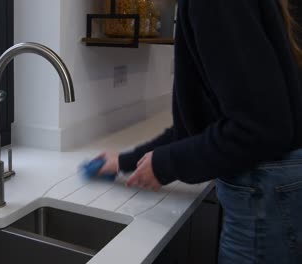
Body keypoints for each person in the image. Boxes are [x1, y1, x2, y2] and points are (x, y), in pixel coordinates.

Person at [97, 0, 302, 263]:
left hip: (264, 195)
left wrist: (165, 164)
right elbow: (200, 124)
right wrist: (126, 161)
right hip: (273, 190)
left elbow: (257, 129)